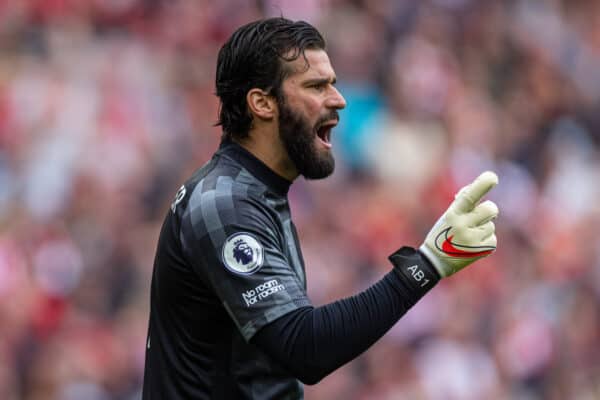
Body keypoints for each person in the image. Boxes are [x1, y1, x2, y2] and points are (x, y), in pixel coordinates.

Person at [142, 17, 499, 400]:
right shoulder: (224, 202)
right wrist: (427, 264)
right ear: (262, 103)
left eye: (333, 83)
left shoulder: (256, 193)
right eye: (316, 86)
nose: (338, 99)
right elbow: (304, 347)